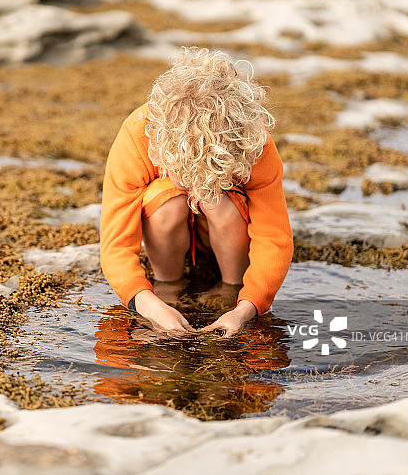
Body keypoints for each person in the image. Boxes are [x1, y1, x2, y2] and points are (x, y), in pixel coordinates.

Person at [99, 47, 293, 338]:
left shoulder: (253, 142)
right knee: (169, 199)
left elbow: (273, 238)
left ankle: (230, 287)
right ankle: (169, 285)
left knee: (215, 197)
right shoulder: (138, 134)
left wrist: (245, 308)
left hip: (226, 232)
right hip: (168, 229)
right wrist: (149, 303)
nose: (192, 182)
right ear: (163, 145)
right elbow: (116, 243)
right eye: (186, 172)